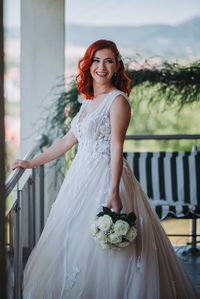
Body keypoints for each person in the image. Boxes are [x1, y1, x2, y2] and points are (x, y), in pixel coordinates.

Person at [11, 40, 199, 299]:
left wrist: (113, 192)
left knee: (107, 252)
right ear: (88, 65)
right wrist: (31, 163)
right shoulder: (88, 100)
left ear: (116, 66)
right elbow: (67, 141)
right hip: (79, 179)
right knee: (72, 244)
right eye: (96, 60)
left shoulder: (117, 101)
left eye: (108, 61)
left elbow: (116, 148)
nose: (102, 66)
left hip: (105, 178)